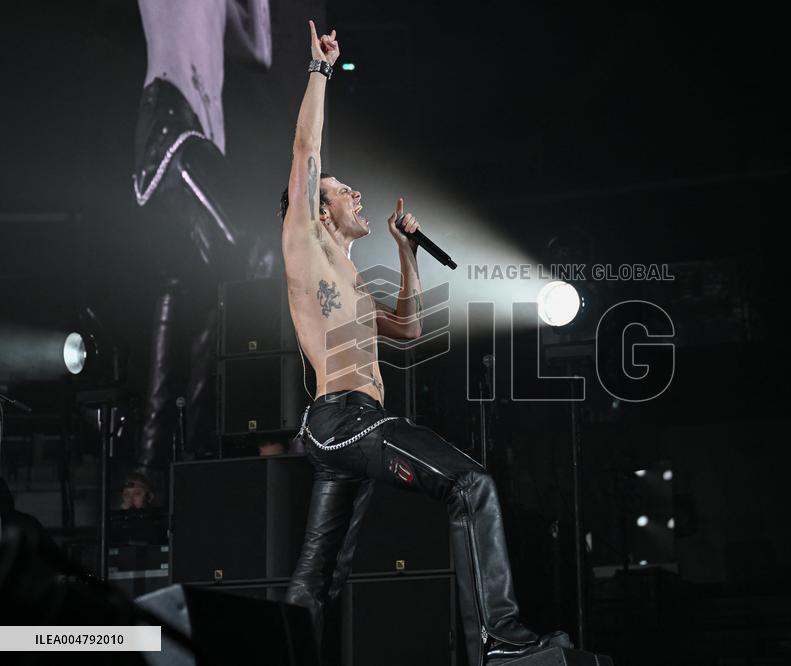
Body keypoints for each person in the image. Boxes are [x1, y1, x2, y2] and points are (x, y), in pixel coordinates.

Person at [281, 21, 571, 665]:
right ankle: (499, 641)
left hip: (346, 429)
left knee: (317, 576)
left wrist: (407, 254)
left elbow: (409, 329)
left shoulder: (353, 278)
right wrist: (320, 70)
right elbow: (305, 151)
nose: (355, 193)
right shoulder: (305, 248)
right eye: (339, 190)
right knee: (471, 486)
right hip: (342, 418)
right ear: (317, 210)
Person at [132, 0, 274, 468]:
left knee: (201, 287)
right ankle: (268, 426)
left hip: (206, 146)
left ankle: (175, 458)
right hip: (174, 124)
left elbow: (260, 53)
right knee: (252, 253)